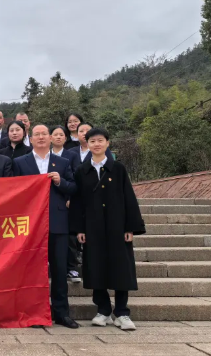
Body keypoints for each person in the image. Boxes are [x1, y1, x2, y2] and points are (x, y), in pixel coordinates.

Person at [71, 128, 145, 331]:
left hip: (117, 226)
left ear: (107, 143)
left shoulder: (118, 168)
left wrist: (130, 227)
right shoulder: (82, 170)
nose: (96, 144)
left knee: (121, 268)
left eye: (100, 140)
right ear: (87, 144)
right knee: (96, 267)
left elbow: (129, 197)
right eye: (92, 141)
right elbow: (77, 202)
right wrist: (79, 229)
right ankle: (103, 310)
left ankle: (122, 312)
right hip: (92, 227)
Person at [13, 124, 78, 329]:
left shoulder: (62, 162)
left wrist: (59, 182)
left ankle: (62, 314)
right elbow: (14, 191)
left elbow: (74, 187)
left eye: (44, 134)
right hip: (30, 225)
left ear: (50, 138)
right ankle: (33, 313)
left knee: (59, 270)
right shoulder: (20, 162)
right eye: (37, 134)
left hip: (57, 223)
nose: (41, 137)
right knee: (31, 272)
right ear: (30, 139)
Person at [51, 124, 81, 283]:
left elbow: (74, 178)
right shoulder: (45, 156)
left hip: (66, 201)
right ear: (50, 138)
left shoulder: (72, 155)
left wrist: (70, 198)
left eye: (61, 135)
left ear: (66, 138)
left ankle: (71, 267)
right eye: (55, 134)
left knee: (69, 237)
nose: (58, 137)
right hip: (48, 204)